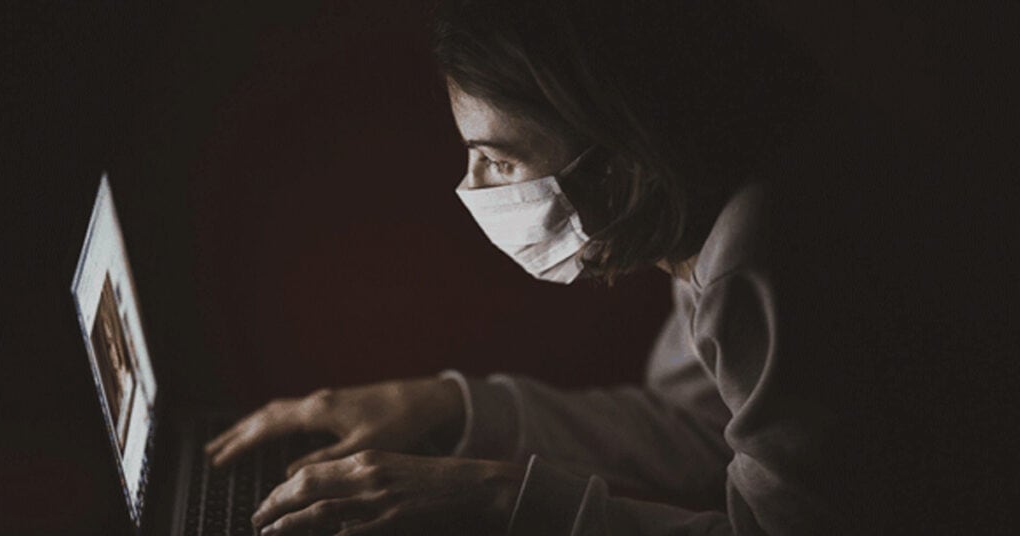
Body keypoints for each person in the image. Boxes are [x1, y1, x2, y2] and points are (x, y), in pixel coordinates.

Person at [205, 1, 982, 534]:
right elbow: (701, 427)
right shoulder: (732, 197)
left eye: (496, 159)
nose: (471, 190)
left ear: (618, 152)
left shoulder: (764, 254)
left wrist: (499, 500)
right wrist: (446, 406)